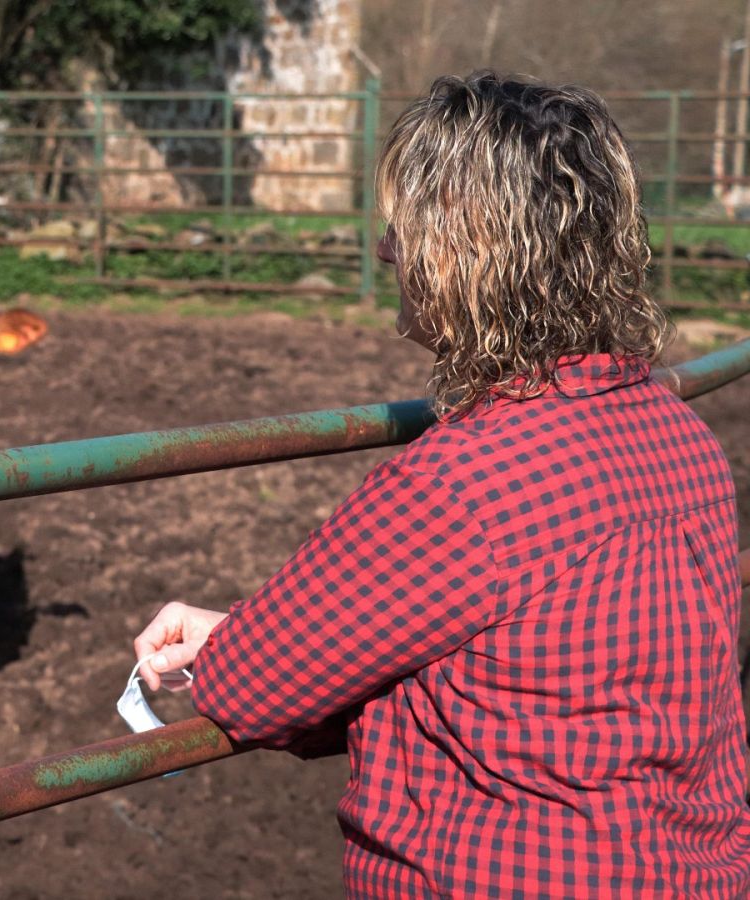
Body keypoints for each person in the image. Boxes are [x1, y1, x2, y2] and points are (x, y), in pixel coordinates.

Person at [133, 72, 750, 897]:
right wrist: (239, 633)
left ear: (471, 252)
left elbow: (256, 686)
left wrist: (229, 645)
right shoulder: (683, 438)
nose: (386, 248)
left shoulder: (464, 483)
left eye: (407, 226)